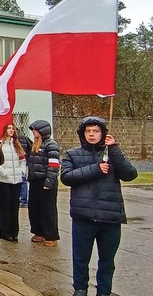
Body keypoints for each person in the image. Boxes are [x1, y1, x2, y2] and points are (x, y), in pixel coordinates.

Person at [61, 116, 138, 296]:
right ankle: (80, 289)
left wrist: (115, 150)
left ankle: (104, 291)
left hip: (110, 218)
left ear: (102, 133)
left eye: (95, 131)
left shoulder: (112, 153)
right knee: (81, 259)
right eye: (88, 131)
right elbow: (66, 177)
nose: (92, 135)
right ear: (83, 134)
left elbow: (130, 174)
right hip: (84, 216)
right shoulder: (72, 154)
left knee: (107, 260)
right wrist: (95, 169)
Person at [27, 120, 60, 247]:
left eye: (35, 130)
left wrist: (49, 182)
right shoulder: (35, 144)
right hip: (35, 181)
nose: (33, 133)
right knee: (35, 208)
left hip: (46, 181)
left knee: (48, 209)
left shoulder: (51, 145)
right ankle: (39, 231)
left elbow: (53, 165)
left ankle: (51, 235)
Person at [0, 124, 26, 242]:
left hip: (16, 180)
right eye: (9, 128)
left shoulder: (16, 144)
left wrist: (22, 171)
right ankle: (5, 231)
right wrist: (2, 172)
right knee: (4, 207)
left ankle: (14, 231)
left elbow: (22, 160)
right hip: (3, 180)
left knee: (14, 206)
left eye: (13, 129)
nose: (11, 130)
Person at [17, 128, 32, 208]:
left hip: (18, 160)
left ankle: (23, 200)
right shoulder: (25, 137)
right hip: (24, 160)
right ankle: (23, 200)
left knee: (21, 180)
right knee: (23, 179)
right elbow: (31, 147)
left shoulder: (15, 138)